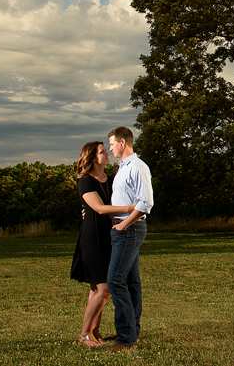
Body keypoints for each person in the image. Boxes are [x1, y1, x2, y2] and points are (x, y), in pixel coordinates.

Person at [69, 141, 136, 347]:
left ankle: (94, 332)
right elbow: (99, 208)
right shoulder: (85, 181)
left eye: (106, 150)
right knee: (105, 289)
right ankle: (84, 334)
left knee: (96, 289)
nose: (107, 153)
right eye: (102, 151)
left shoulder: (113, 180)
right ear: (91, 158)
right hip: (93, 238)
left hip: (110, 237)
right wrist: (133, 207)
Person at [102, 126, 154, 353]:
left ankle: (124, 339)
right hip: (123, 228)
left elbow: (145, 203)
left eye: (112, 144)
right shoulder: (123, 168)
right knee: (131, 283)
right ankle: (132, 333)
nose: (110, 148)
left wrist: (124, 223)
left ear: (123, 142)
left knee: (115, 280)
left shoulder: (138, 167)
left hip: (129, 229)